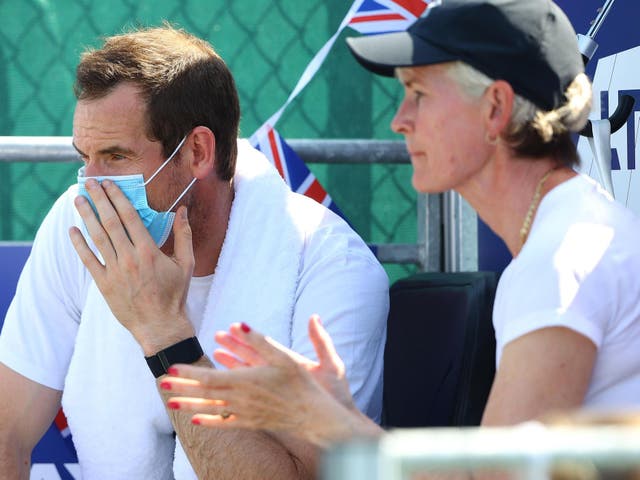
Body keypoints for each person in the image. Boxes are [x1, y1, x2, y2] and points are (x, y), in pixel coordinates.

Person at [159, 0, 640, 450]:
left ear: (495, 108)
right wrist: (334, 412)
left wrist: (323, 418)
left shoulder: (557, 260)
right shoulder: (564, 236)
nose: (399, 120)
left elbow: (498, 477)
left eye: (419, 94)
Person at [0, 25, 389, 479]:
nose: (92, 186)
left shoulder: (333, 267)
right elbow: (7, 434)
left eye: (116, 156)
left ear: (198, 152)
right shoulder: (79, 224)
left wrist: (164, 334)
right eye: (84, 158)